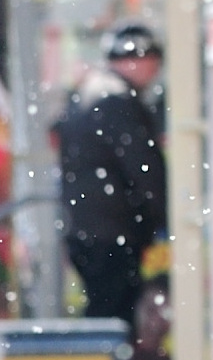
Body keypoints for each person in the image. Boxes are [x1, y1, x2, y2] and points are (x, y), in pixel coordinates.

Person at [53, 24, 165, 327]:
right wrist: (161, 217)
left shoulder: (92, 92)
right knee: (113, 318)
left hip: (90, 228)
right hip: (113, 231)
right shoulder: (117, 100)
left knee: (103, 312)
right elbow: (144, 169)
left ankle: (101, 357)